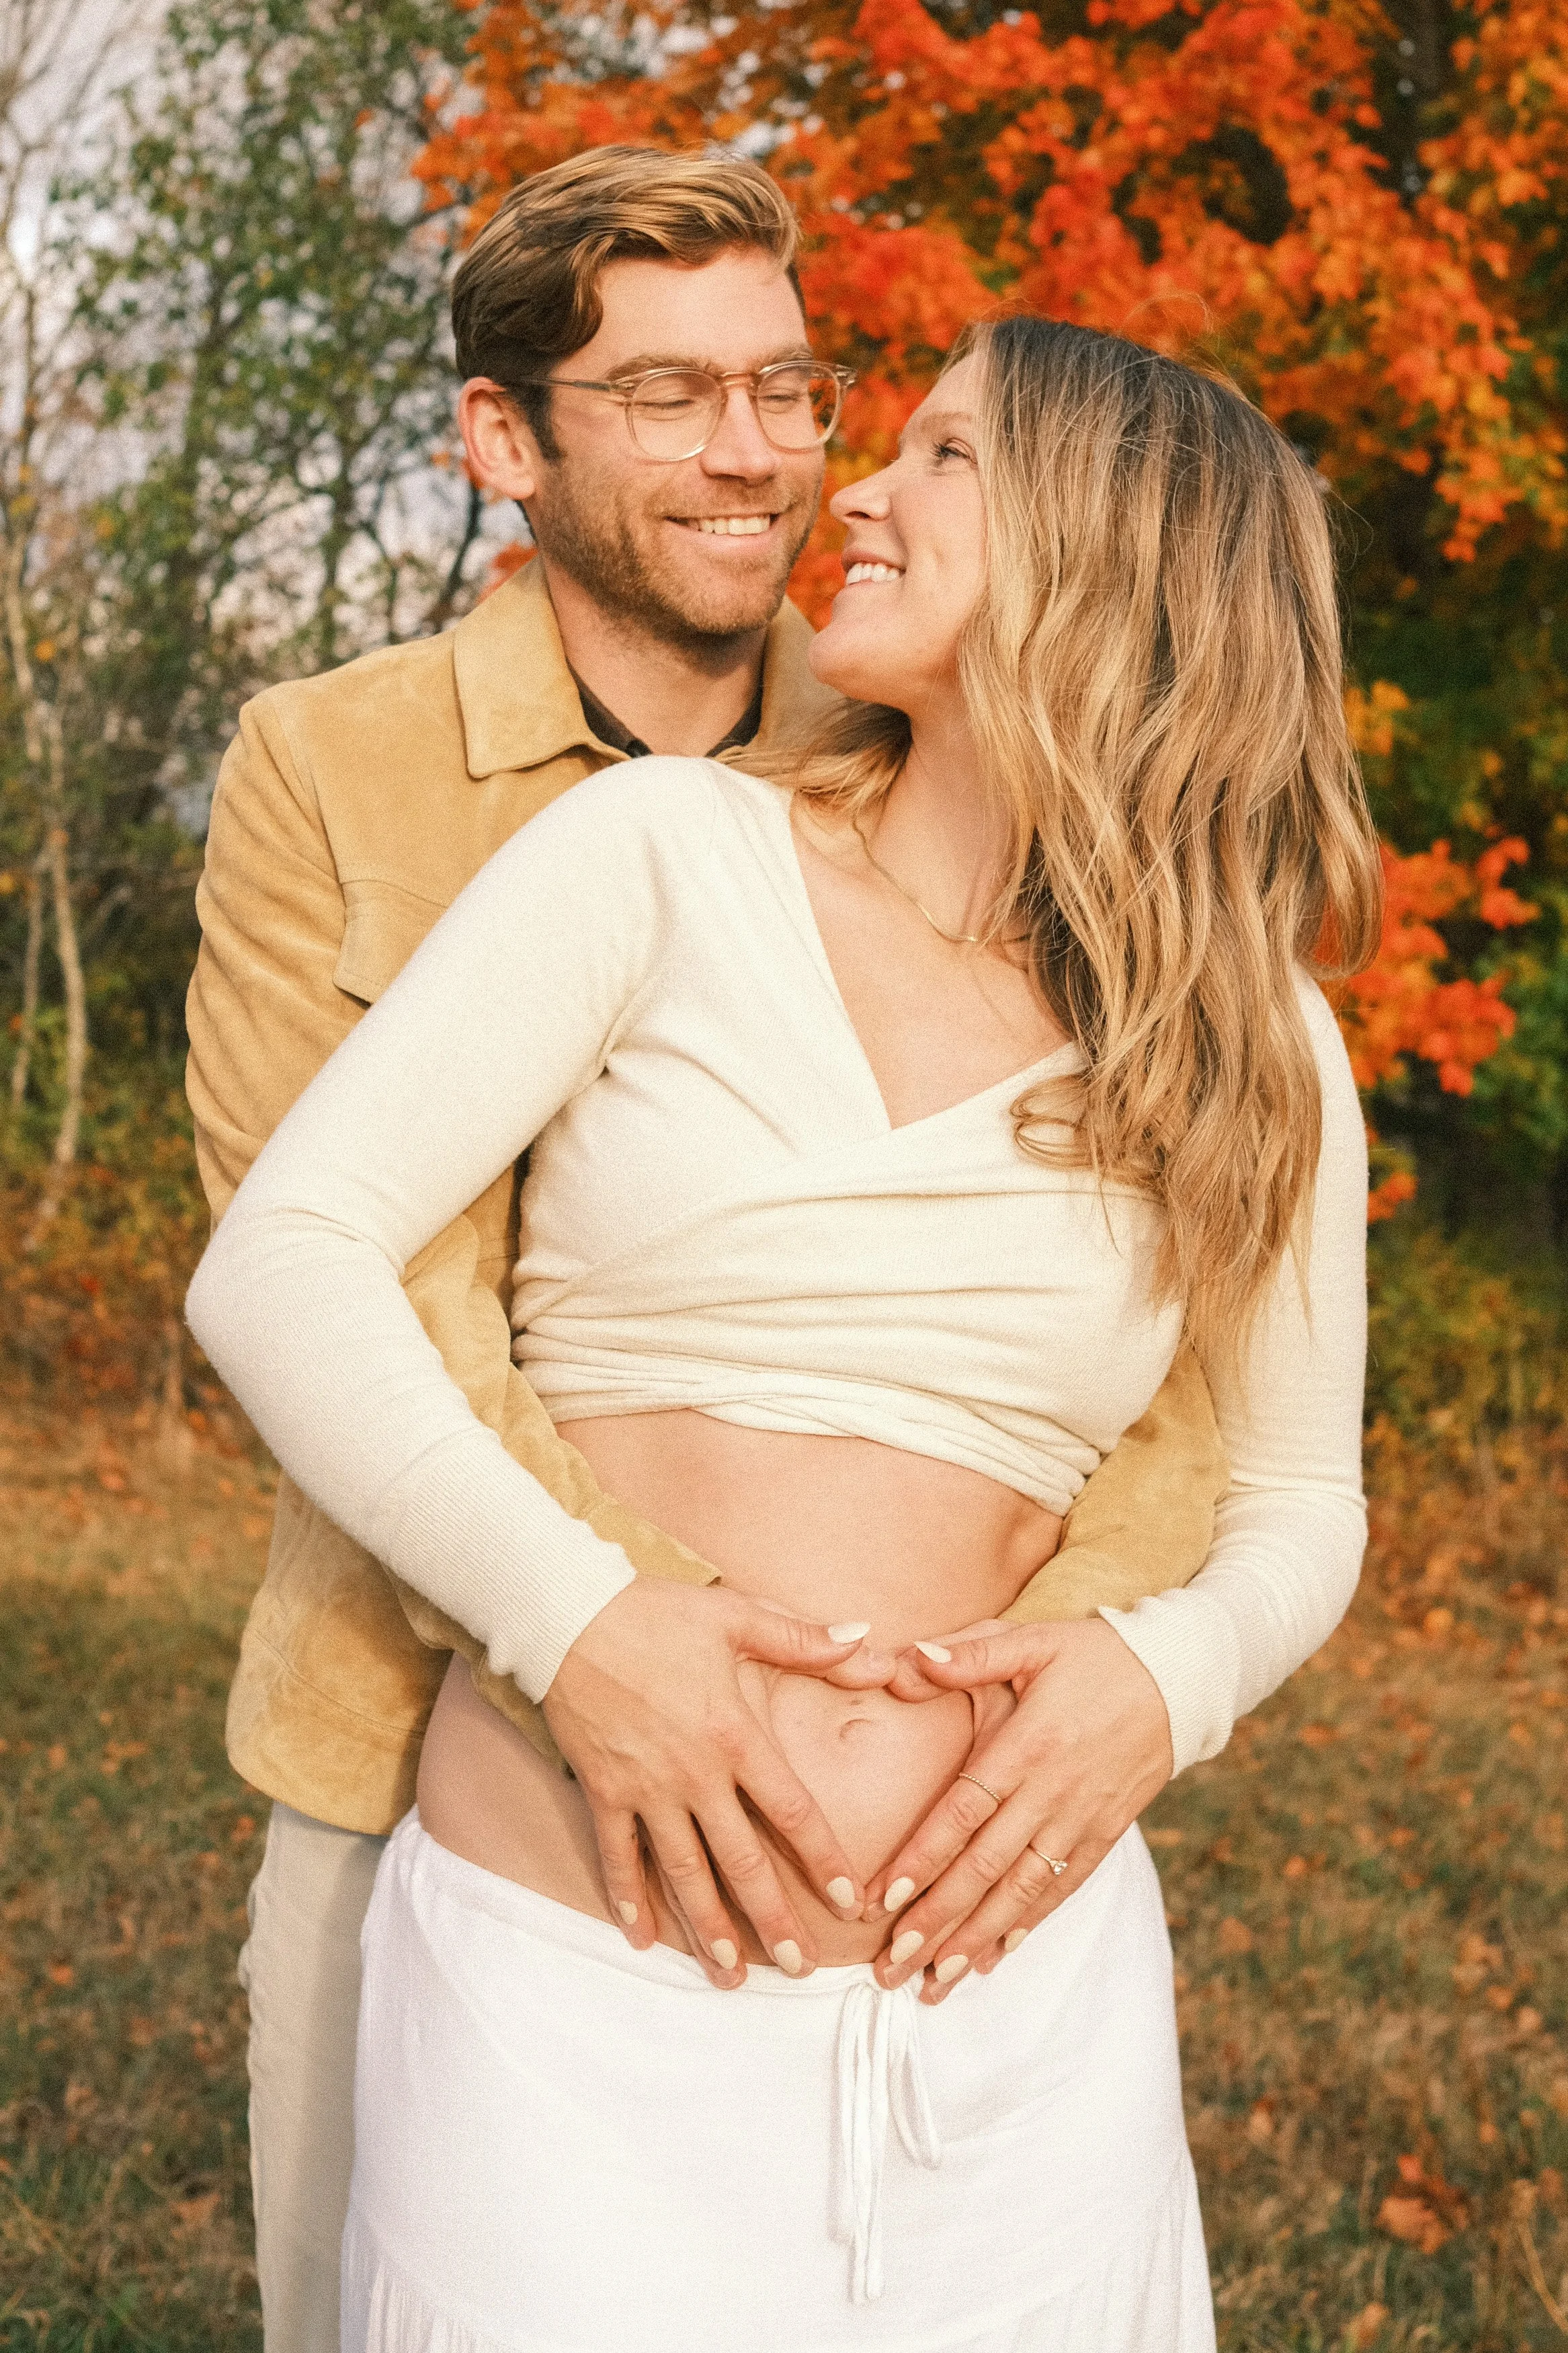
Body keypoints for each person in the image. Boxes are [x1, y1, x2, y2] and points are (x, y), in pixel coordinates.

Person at [188, 298, 1379, 2348]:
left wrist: (1154, 1684)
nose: (858, 491)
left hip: (1011, 2035)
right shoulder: (661, 855)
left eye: (943, 457)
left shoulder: (1247, 1039)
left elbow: (1297, 1501)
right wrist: (580, 1626)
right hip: (575, 2001)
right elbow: (283, 1258)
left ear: (1112, 548)